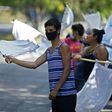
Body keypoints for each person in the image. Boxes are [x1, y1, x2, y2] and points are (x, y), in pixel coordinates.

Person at [4, 18, 77, 112]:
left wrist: (55, 90)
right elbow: (34, 64)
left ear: (58, 31)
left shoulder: (63, 47)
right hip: (56, 95)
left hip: (66, 94)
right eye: (46, 30)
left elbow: (67, 70)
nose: (48, 32)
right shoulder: (49, 51)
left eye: (51, 30)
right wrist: (14, 60)